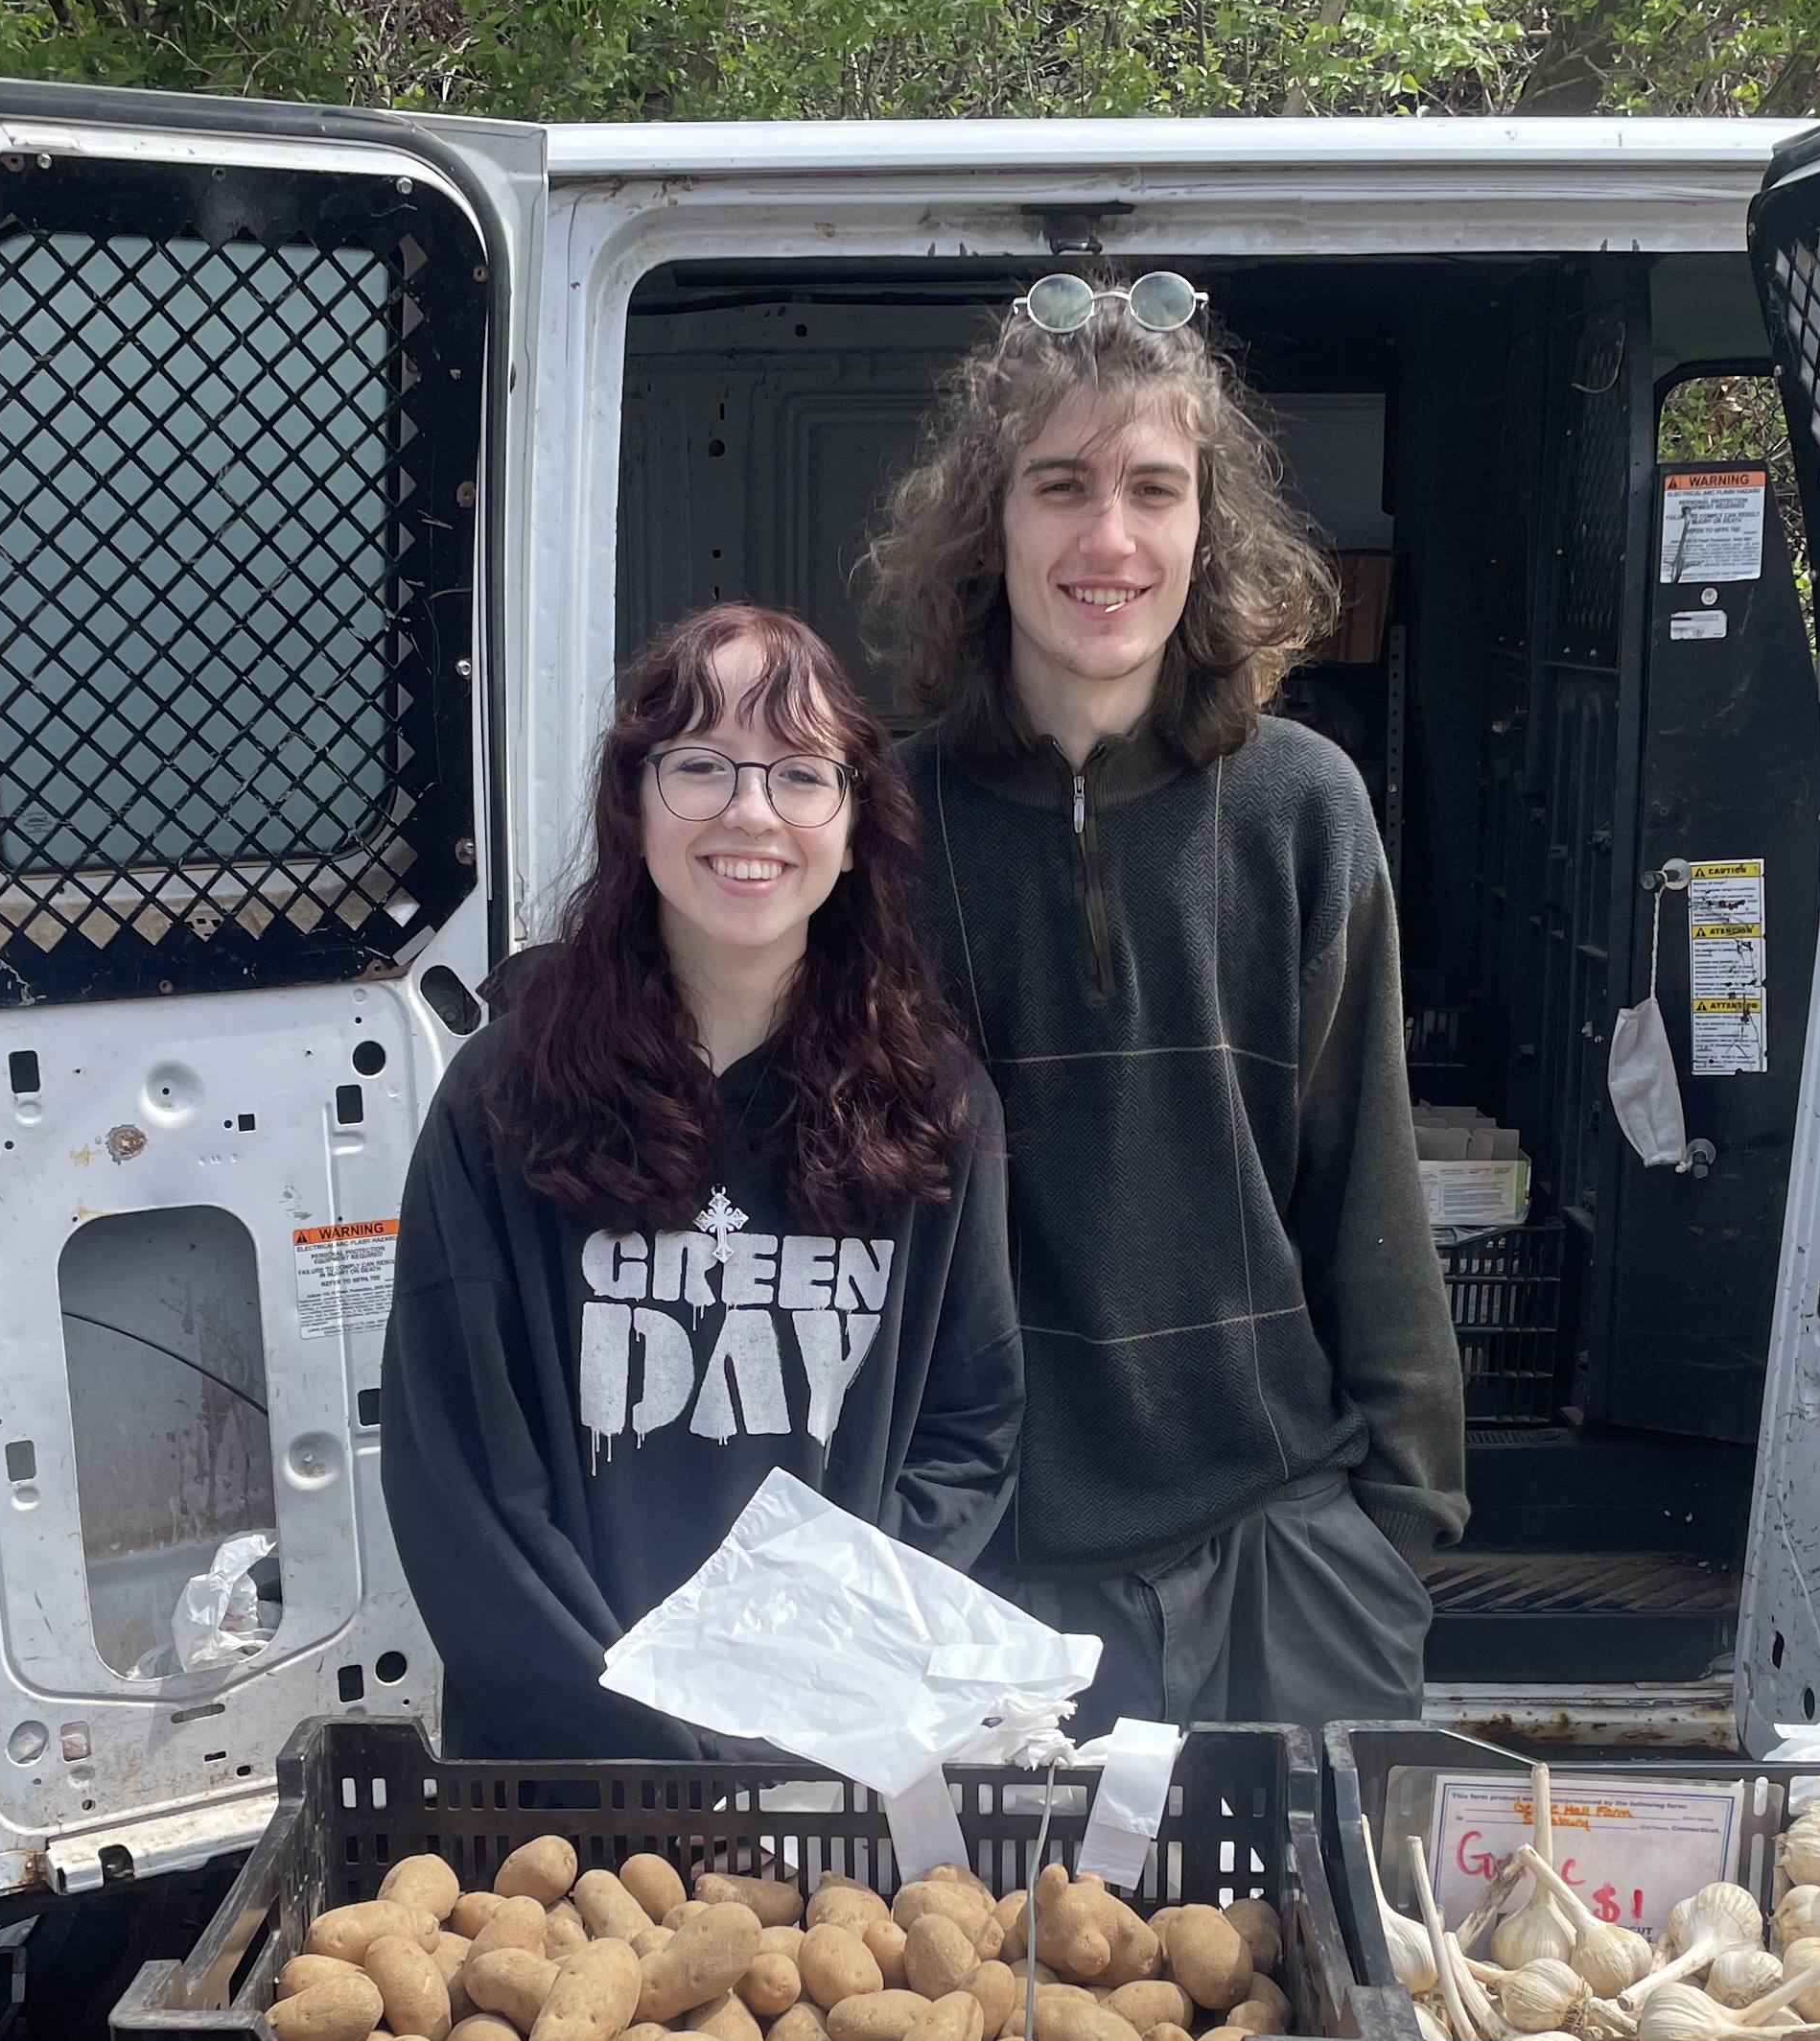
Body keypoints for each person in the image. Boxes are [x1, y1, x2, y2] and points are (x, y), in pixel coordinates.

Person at [864, 279, 1465, 1736]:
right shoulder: (883, 820)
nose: (1108, 538)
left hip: (1284, 1548)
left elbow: (1367, 1181)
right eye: (1059, 486)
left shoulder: (1301, 807)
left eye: (1154, 488)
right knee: (1015, 1968)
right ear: (988, 524)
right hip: (984, 1568)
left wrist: (1401, 1532)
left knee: (1327, 1954)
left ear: (1208, 526)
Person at [381, 603, 1019, 1757]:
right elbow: (459, 1479)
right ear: (635, 798)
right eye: (703, 767)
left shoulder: (933, 1103)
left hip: (827, 1765)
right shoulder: (499, 1098)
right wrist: (647, 1743)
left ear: (855, 819)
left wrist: (815, 1696)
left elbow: (965, 1440)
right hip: (563, 1787)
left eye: (800, 774)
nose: (751, 812)